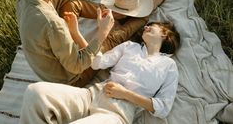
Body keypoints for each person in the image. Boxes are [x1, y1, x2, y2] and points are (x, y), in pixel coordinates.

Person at [17, 0, 174, 87]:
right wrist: (102, 33)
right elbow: (78, 65)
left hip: (58, 52)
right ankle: (147, 12)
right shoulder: (52, 23)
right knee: (111, 39)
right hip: (71, 77)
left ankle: (119, 14)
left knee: (72, 3)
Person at [19, 21, 180, 124]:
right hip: (91, 95)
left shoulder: (168, 66)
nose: (146, 26)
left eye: (152, 26)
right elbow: (97, 62)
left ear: (165, 33)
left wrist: (124, 94)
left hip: (117, 114)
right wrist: (76, 33)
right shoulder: (129, 46)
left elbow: (163, 108)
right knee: (35, 93)